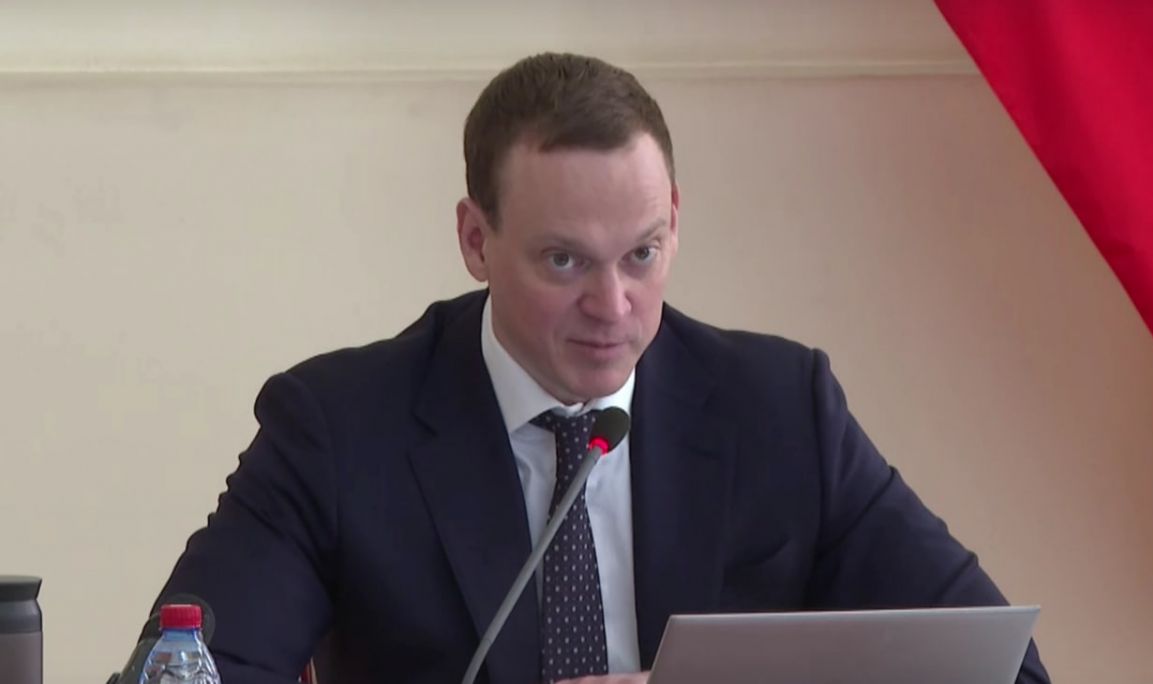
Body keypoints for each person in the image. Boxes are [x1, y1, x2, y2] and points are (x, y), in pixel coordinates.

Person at [152, 52, 1051, 684]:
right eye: (564, 261)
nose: (614, 306)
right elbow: (188, 671)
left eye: (642, 254)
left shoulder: (781, 410)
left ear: (675, 222)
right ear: (476, 240)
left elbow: (1007, 670)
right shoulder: (339, 430)